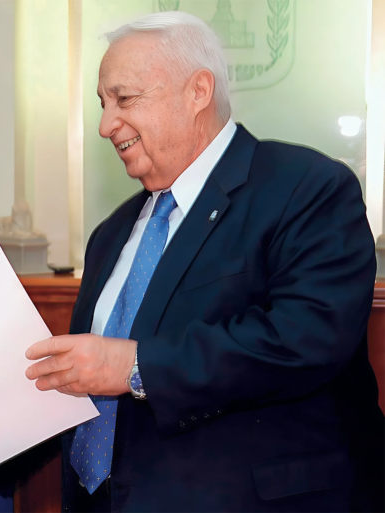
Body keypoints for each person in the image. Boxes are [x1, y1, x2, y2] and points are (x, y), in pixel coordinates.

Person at [25, 11, 385, 513]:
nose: (107, 125)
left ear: (198, 91)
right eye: (103, 104)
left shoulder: (307, 188)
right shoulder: (110, 234)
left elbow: (307, 337)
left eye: (124, 99)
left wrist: (133, 365)